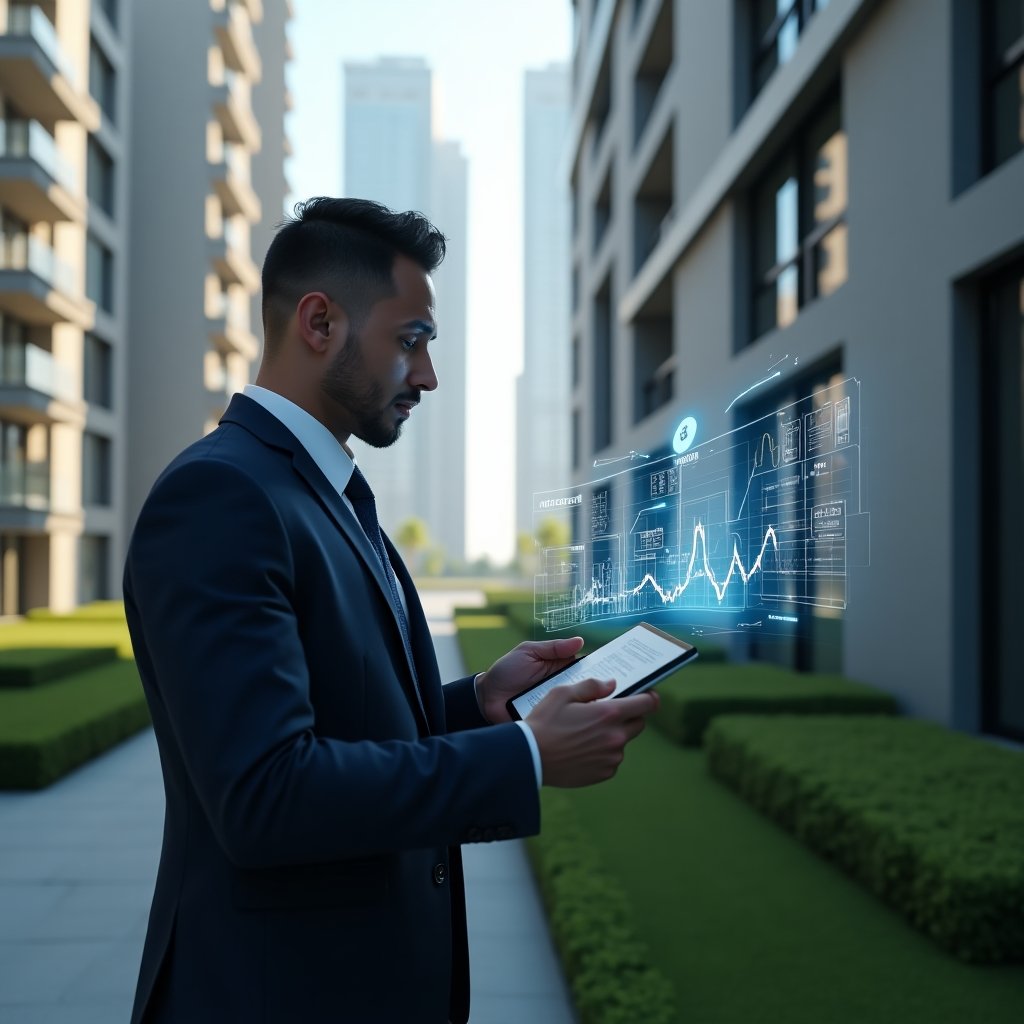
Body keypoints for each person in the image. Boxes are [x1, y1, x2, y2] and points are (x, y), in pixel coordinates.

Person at [123, 197, 659, 1024]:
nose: (428, 376)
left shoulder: (325, 491)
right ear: (319, 322)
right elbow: (266, 795)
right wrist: (522, 755)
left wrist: (476, 705)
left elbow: (338, 722)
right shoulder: (221, 496)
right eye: (410, 341)